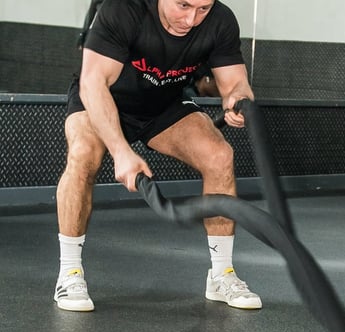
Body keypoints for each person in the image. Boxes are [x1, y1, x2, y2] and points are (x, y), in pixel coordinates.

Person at [54, 0, 261, 312]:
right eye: (183, 5)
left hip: (162, 104)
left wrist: (238, 98)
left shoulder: (221, 20)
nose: (191, 19)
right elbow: (93, 83)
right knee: (84, 155)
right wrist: (121, 151)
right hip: (103, 97)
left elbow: (235, 82)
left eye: (203, 9)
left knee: (219, 155)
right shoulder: (124, 9)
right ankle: (69, 273)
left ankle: (221, 275)